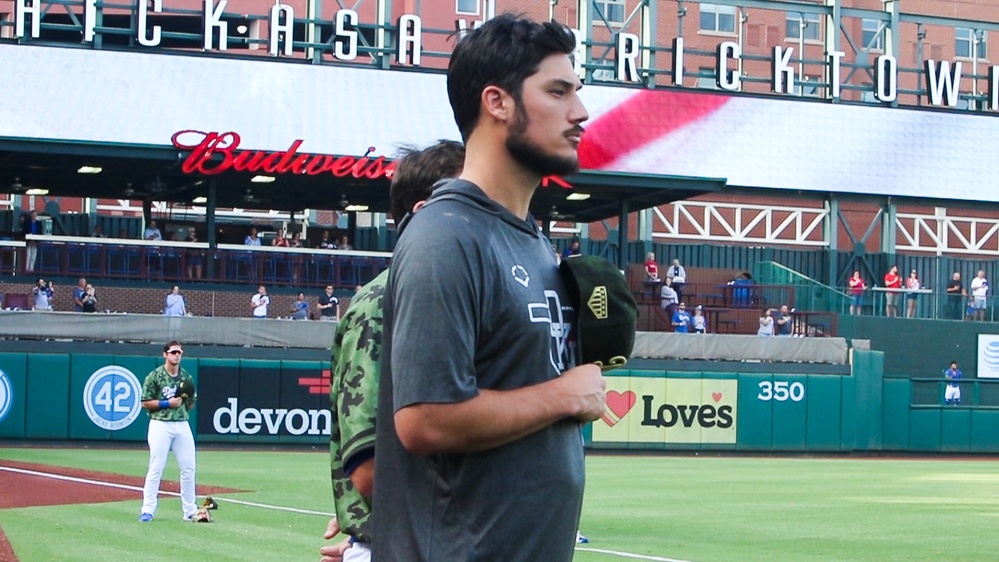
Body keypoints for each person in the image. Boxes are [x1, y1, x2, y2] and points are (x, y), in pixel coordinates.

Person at [372, 15, 603, 562]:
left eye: (578, 91)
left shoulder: (532, 241)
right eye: (558, 91)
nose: (581, 112)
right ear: (497, 102)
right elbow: (425, 419)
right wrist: (564, 394)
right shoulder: (445, 234)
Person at [323, 140, 465, 562]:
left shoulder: (460, 295)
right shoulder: (380, 302)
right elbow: (369, 470)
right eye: (470, 201)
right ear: (424, 214)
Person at [139, 341, 197, 522]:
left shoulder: (186, 377)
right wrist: (166, 403)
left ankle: (189, 510)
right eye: (173, 352)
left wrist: (182, 406)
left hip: (181, 423)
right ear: (165, 354)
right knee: (156, 467)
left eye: (179, 352)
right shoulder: (155, 376)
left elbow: (191, 401)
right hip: (160, 424)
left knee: (188, 468)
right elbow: (145, 402)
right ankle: (147, 510)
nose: (176, 355)